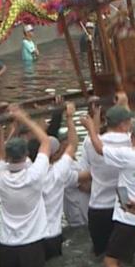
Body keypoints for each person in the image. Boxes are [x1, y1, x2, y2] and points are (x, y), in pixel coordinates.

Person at [85, 117, 135, 267]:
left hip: (129, 218)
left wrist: (91, 128)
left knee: (110, 260)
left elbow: (99, 148)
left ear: (132, 136)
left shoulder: (127, 155)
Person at [0, 106, 51, 267]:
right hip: (31, 246)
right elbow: (45, 141)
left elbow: (2, 156)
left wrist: (14, 129)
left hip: (7, 247)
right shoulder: (34, 175)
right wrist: (24, 118)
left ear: (8, 157)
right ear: (27, 154)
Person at [84, 102, 133, 256]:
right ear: (124, 124)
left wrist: (94, 120)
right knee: (123, 257)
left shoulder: (89, 142)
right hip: (124, 208)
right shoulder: (131, 142)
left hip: (98, 208)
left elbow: (95, 137)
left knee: (100, 256)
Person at [40, 103, 81, 259]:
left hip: (33, 237)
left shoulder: (31, 171)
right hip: (54, 235)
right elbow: (73, 145)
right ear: (57, 152)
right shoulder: (61, 172)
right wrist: (69, 117)